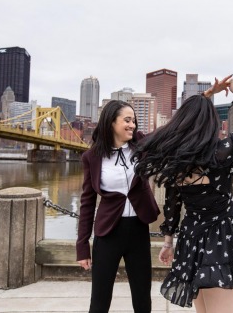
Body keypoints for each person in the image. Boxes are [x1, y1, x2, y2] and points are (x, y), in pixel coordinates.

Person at [133, 75, 233, 312]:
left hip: (191, 239)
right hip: (221, 239)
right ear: (211, 123)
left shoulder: (176, 162)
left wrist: (168, 241)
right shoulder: (222, 154)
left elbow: (173, 205)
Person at [76, 100, 160, 313]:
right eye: (127, 120)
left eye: (134, 120)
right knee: (99, 301)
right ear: (112, 122)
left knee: (142, 299)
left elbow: (170, 130)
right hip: (108, 233)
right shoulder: (92, 157)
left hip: (138, 229)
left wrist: (204, 96)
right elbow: (87, 203)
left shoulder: (141, 145)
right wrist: (82, 246)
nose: (133, 125)